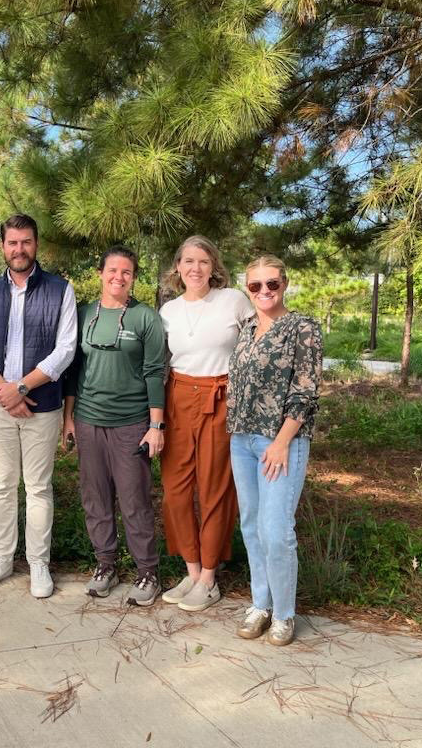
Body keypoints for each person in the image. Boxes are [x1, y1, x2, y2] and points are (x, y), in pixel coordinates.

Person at [0, 214, 78, 598]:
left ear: (37, 244)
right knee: (2, 487)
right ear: (3, 247)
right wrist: (4, 391)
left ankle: (38, 564)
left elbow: (65, 349)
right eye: (12, 242)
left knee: (38, 488)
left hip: (42, 405)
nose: (19, 249)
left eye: (26, 242)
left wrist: (21, 387)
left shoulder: (60, 290)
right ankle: (1, 558)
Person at [62, 246, 166, 605]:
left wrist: (156, 425)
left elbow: (155, 372)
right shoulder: (82, 313)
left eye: (126, 272)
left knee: (135, 501)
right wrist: (68, 419)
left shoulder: (145, 319)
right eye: (112, 270)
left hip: (131, 424)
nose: (118, 277)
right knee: (95, 498)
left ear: (133, 277)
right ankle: (105, 564)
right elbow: (73, 370)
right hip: (89, 420)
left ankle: (148, 572)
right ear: (100, 272)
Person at [228, 255, 322, 646]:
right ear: (247, 289)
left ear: (284, 284)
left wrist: (283, 442)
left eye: (272, 284)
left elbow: (306, 390)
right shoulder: (247, 329)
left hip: (280, 442)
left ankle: (284, 614)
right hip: (242, 440)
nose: (264, 291)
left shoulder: (302, 328)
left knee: (276, 529)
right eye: (255, 286)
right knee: (251, 525)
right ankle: (260, 605)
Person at [158, 236, 254, 612]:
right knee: (175, 488)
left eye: (203, 261)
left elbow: (258, 342)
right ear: (177, 267)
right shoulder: (168, 311)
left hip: (222, 396)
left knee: (214, 488)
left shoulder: (233, 301)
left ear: (214, 266)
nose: (195, 268)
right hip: (178, 395)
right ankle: (192, 569)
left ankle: (210, 576)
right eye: (188, 261)